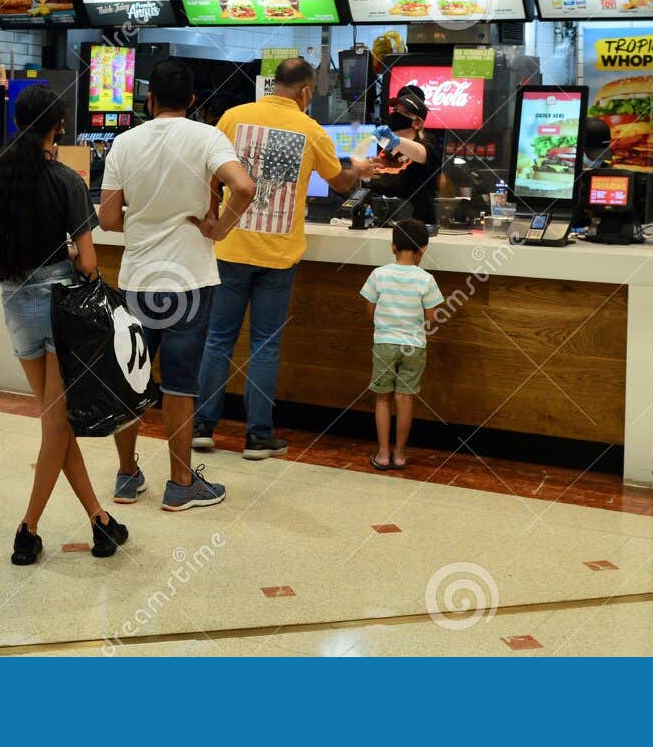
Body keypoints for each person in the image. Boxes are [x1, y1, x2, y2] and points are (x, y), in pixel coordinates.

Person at [0, 84, 129, 564]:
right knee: (56, 423)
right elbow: (89, 263)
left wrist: (14, 259)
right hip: (62, 309)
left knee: (56, 423)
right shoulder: (67, 181)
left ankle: (100, 520)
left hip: (16, 306)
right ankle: (27, 528)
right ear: (57, 125)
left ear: (16, 122)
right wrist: (72, 258)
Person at [193, 57, 373, 459]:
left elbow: (209, 173)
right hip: (278, 255)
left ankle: (202, 428)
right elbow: (340, 183)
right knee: (265, 346)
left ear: (274, 84)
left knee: (218, 339)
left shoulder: (233, 117)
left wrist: (212, 214)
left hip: (230, 248)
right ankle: (258, 437)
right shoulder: (311, 130)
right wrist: (358, 169)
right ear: (306, 91)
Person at [98, 57, 256, 511]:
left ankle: (127, 476)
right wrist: (220, 229)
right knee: (180, 383)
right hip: (189, 280)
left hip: (138, 279)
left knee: (132, 379)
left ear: (149, 99)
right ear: (191, 99)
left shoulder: (124, 143)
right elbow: (244, 188)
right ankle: (181, 483)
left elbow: (107, 218)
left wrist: (142, 219)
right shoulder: (207, 136)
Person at [361, 219, 444, 471]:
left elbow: (370, 309)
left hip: (384, 343)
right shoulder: (426, 280)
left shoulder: (379, 274)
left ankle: (382, 454)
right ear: (423, 249)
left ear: (393, 248)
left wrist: (384, 326)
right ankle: (399, 455)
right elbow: (432, 318)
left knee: (383, 399)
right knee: (405, 400)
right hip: (414, 345)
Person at [368, 84, 444, 227]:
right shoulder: (386, 147)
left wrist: (395, 140)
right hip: (381, 224)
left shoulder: (427, 142)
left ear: (417, 122)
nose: (396, 115)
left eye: (405, 113)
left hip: (416, 227)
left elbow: (420, 153)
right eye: (395, 110)